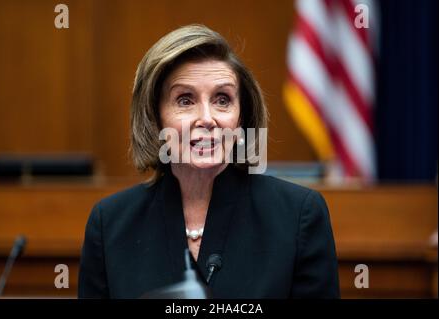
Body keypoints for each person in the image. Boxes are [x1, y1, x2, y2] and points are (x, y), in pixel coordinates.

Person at [78, 24, 340, 298]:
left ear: (241, 119)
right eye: (185, 100)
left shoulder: (298, 216)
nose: (206, 118)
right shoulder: (111, 223)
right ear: (155, 117)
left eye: (222, 100)